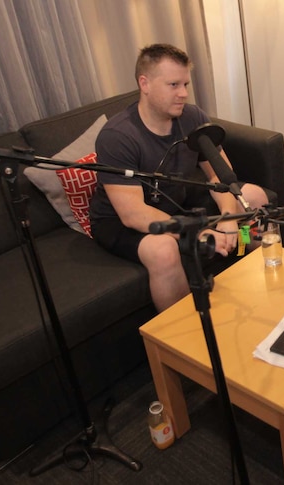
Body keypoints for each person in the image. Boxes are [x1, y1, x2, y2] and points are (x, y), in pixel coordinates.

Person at [90, 44, 268, 312]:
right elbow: (133, 214)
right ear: (145, 83)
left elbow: (220, 177)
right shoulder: (117, 136)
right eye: (173, 84)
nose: (183, 93)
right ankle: (186, 334)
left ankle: (248, 269)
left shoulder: (193, 117)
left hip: (174, 202)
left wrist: (229, 218)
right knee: (163, 251)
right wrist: (195, 231)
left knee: (253, 198)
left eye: (185, 83)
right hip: (120, 221)